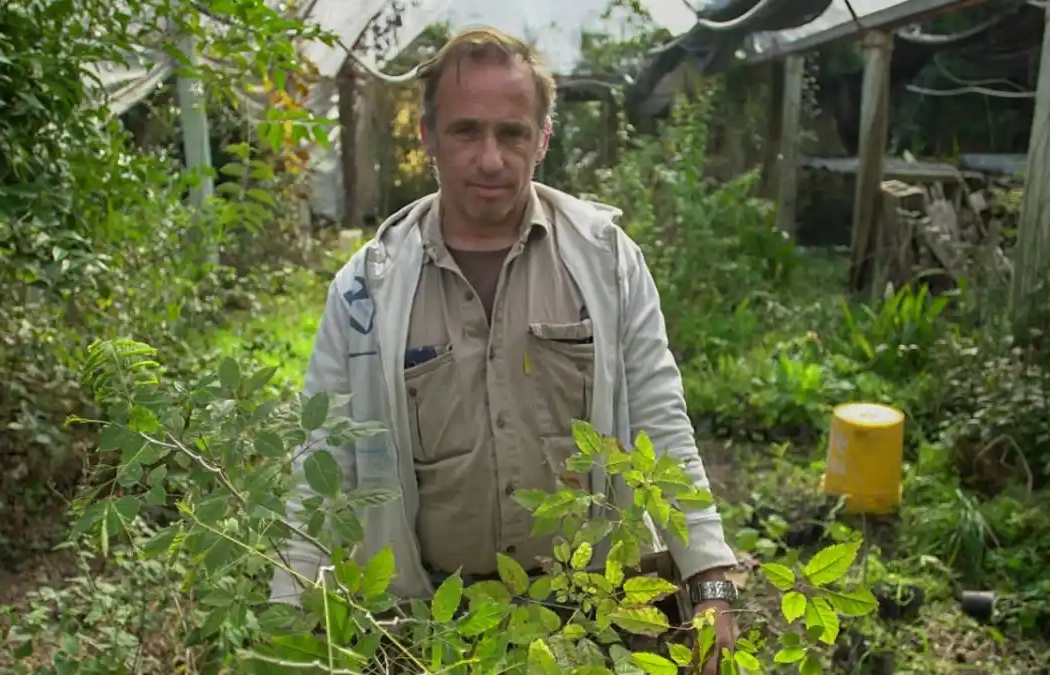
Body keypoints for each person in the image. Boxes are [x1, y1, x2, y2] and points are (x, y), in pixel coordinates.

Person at [271, 25, 739, 673]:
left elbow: (661, 421)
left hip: (594, 616)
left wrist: (711, 583)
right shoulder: (365, 289)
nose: (490, 158)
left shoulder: (605, 262)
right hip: (432, 622)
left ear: (543, 138)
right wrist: (290, 617)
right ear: (428, 137)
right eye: (466, 131)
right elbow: (321, 462)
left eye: (512, 132)